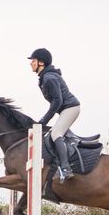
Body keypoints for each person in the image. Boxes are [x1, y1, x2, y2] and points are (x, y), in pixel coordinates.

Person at [28, 48, 80, 182]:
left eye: (33, 60)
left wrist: (43, 121)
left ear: (41, 63)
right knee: (52, 134)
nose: (31, 63)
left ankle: (66, 168)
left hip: (71, 108)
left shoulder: (49, 78)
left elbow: (58, 101)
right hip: (66, 109)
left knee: (56, 134)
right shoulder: (45, 77)